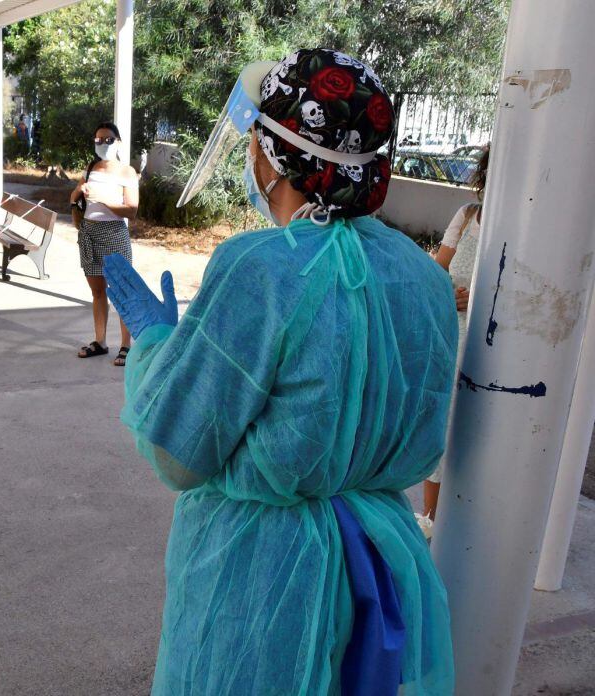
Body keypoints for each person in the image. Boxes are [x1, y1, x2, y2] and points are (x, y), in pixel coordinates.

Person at [103, 49, 455, 694]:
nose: (250, 158)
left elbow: (179, 456)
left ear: (274, 154)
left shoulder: (259, 267)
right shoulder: (422, 276)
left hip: (263, 570)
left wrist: (157, 345)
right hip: (381, 564)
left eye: (253, 142)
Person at [420, 146, 491, 526]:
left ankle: (470, 520)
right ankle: (432, 520)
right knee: (444, 425)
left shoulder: (532, 233)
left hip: (498, 349)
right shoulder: (467, 217)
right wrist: (446, 293)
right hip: (455, 339)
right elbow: (437, 274)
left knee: (482, 433)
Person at [70, 123, 138, 366]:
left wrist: (105, 200)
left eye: (108, 140)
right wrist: (80, 189)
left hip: (114, 233)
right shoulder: (91, 167)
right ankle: (100, 341)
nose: (102, 144)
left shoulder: (127, 172)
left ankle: (126, 346)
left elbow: (132, 211)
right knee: (97, 292)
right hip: (89, 233)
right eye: (98, 140)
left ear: (118, 142)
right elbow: (73, 197)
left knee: (121, 292)